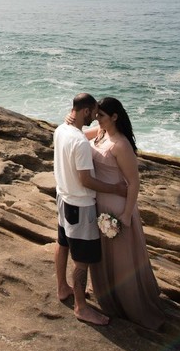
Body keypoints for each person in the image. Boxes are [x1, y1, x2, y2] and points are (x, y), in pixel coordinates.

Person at [88, 96, 165, 330]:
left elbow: (133, 182)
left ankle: (130, 304)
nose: (96, 118)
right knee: (104, 255)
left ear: (114, 117)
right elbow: (77, 137)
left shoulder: (121, 145)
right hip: (99, 204)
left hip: (117, 209)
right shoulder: (99, 133)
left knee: (121, 259)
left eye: (101, 115)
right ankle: (108, 296)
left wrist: (127, 215)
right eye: (96, 114)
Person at [53, 93, 128, 325]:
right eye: (94, 114)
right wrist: (115, 188)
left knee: (63, 244)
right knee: (82, 261)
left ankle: (62, 288)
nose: (96, 118)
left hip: (62, 198)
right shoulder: (79, 142)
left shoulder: (60, 130)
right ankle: (81, 307)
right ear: (85, 111)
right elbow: (86, 180)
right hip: (80, 206)